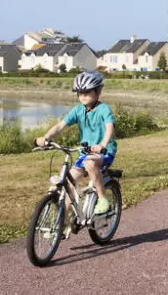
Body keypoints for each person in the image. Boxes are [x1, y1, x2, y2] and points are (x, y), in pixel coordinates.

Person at [35, 71, 117, 236]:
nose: (83, 96)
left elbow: (109, 127)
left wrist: (102, 144)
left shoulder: (103, 109)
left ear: (97, 91)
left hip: (104, 151)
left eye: (87, 92)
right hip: (85, 151)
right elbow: (60, 125)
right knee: (68, 184)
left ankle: (102, 199)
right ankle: (58, 226)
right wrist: (46, 137)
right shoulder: (78, 110)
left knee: (90, 163)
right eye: (80, 93)